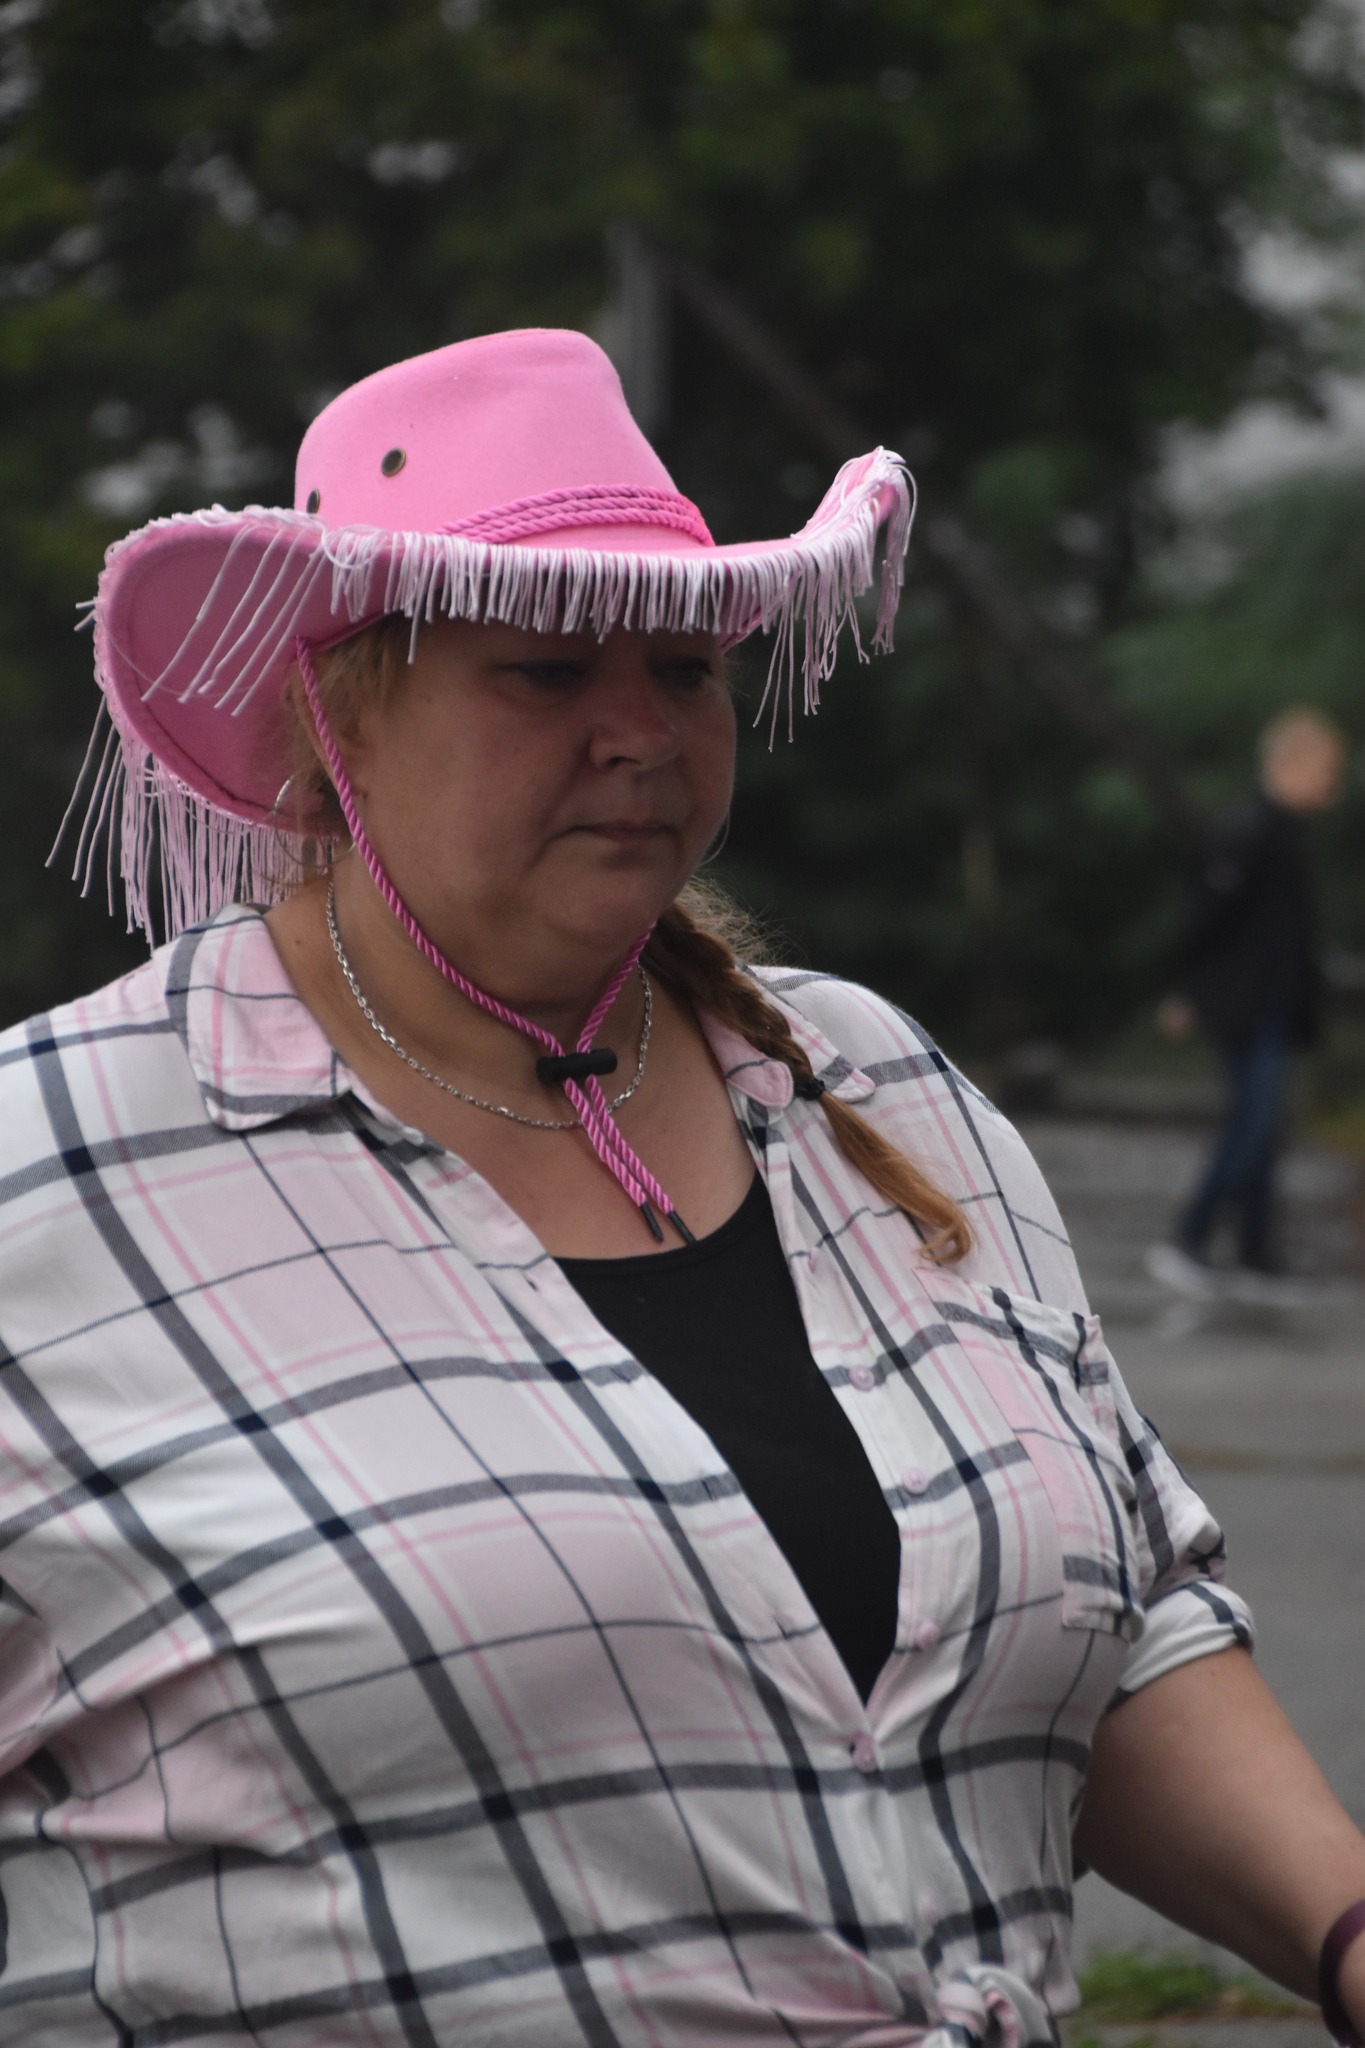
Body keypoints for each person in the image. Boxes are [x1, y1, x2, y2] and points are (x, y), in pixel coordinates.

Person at [1, 328, 1363, 2047]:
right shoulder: (48, 1178)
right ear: (339, 716)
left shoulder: (874, 1083)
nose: (641, 730)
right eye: (546, 670)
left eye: (684, 664)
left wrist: (1345, 1929)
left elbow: (1122, 1614)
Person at [1148, 707, 1347, 1299]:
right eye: (1327, 769)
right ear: (1293, 763)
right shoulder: (1247, 831)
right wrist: (1186, 991)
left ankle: (1256, 1256)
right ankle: (1188, 1239)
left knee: (1266, 1130)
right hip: (1244, 1007)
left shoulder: (1288, 834)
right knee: (1252, 1126)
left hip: (1275, 1008)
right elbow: (1206, 920)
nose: (1332, 783)